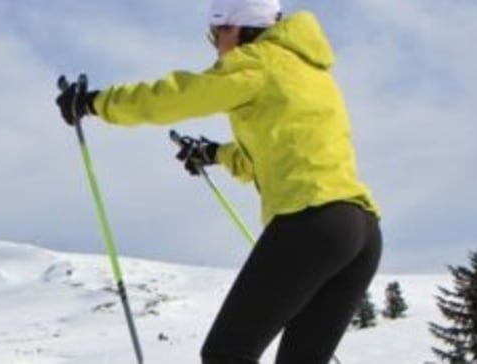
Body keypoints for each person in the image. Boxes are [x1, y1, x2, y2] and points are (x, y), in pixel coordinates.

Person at [54, 0, 382, 363]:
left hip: (312, 223)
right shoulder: (309, 71)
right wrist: (213, 154)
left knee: (227, 353)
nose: (216, 45)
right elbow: (265, 156)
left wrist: (96, 103)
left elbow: (177, 97)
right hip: (360, 233)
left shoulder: (258, 61)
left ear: (238, 28)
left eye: (216, 33)